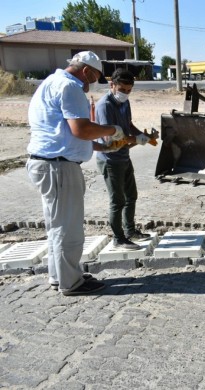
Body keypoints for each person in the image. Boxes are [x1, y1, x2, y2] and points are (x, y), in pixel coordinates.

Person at [27, 51, 126, 296]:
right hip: (59, 167)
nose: (91, 84)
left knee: (56, 226)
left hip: (47, 163)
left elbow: (64, 131)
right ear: (86, 71)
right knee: (68, 228)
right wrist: (113, 130)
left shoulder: (49, 83)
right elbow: (80, 129)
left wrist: (100, 146)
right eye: (93, 78)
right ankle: (71, 282)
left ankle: (59, 275)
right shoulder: (70, 87)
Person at [95, 69, 152, 251]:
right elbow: (109, 139)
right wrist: (135, 140)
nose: (125, 94)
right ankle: (118, 239)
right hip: (110, 159)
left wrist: (142, 135)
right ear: (112, 85)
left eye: (129, 90)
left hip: (124, 156)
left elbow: (128, 125)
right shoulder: (105, 106)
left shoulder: (124, 103)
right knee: (117, 201)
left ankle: (130, 231)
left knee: (131, 196)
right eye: (122, 89)